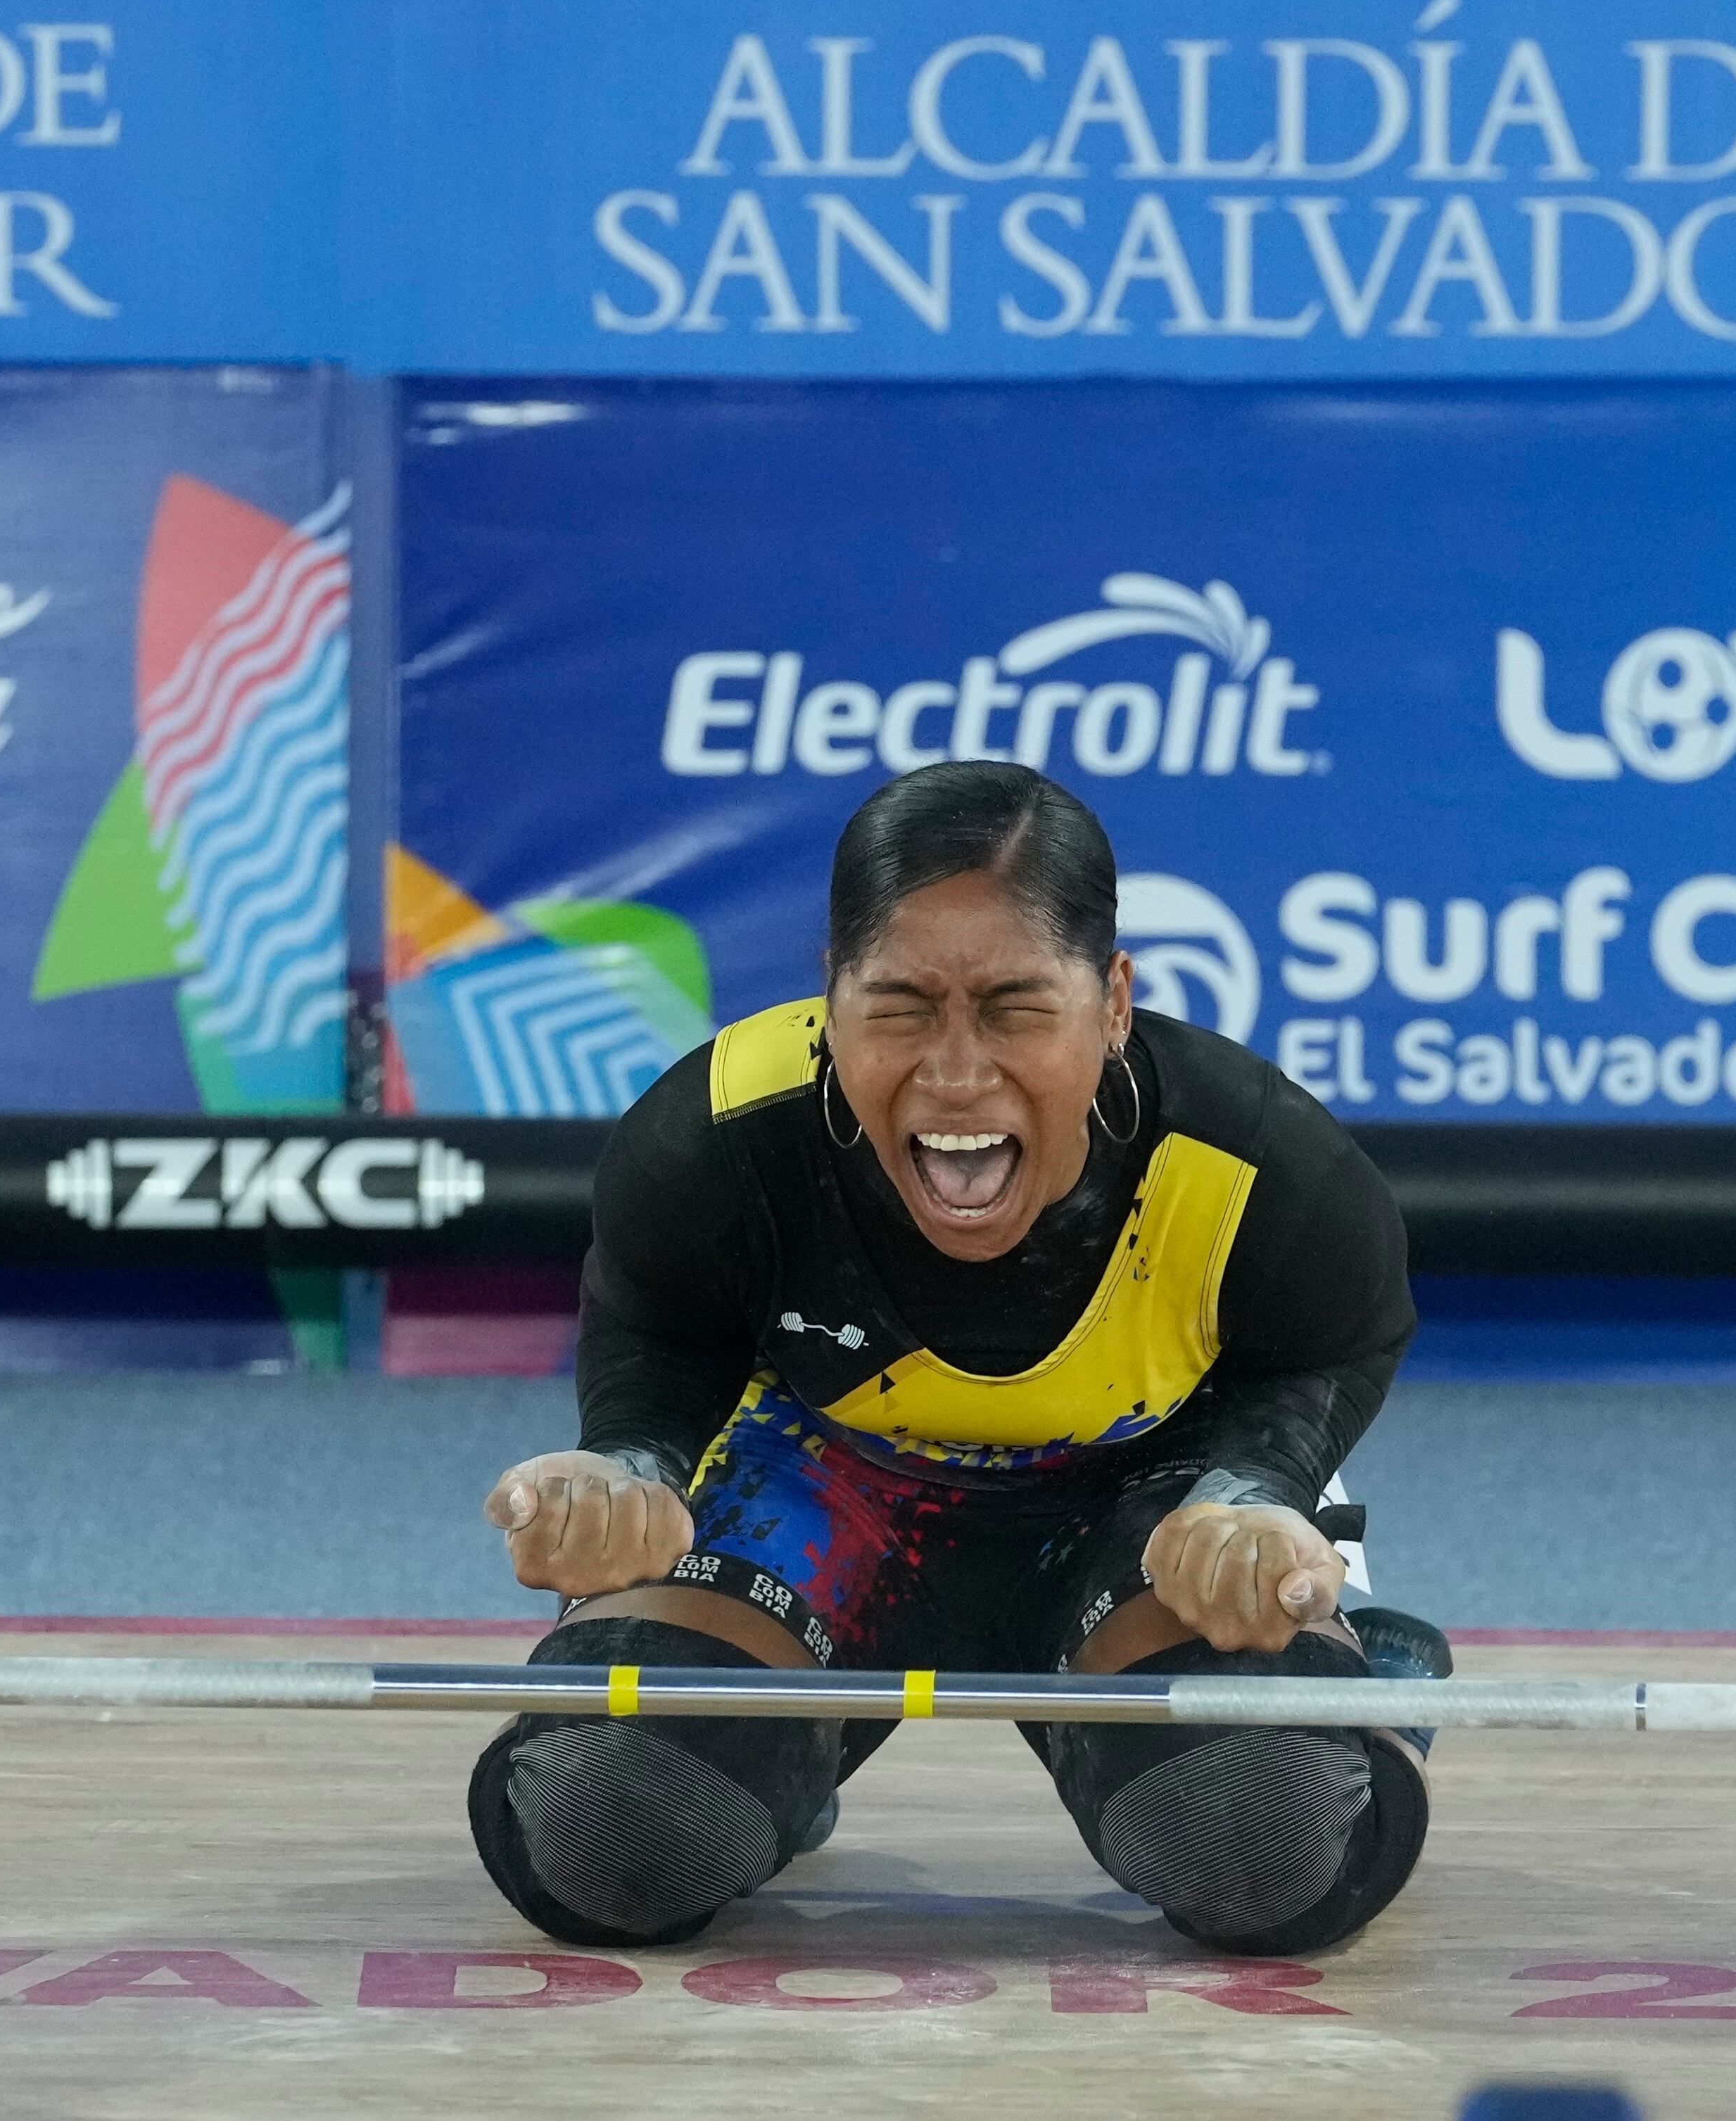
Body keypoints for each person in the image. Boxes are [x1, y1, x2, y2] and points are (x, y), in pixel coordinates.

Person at [467, 761, 1438, 1954]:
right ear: (831, 997)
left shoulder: (1260, 1159)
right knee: (603, 1828)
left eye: (1017, 1006)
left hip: (1144, 1490)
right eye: (903, 1006)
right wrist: (628, 1463)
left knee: (1265, 1840)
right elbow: (663, 1331)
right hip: (824, 1482)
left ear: (1115, 1002)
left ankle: (1371, 1662)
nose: (958, 1073)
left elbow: (1334, 1343)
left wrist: (1255, 1492)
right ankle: (775, 1770)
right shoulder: (712, 1138)